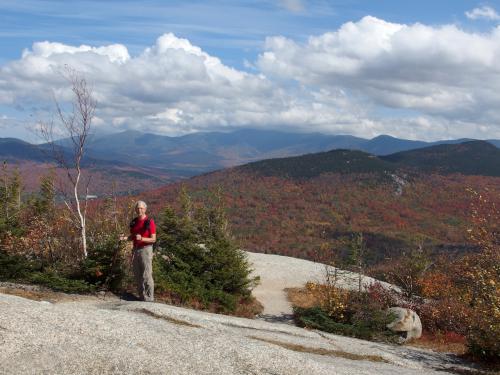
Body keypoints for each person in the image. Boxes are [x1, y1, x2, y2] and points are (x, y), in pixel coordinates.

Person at [120, 200, 156, 302]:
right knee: (137, 274)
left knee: (146, 274)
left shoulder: (149, 222)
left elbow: (153, 239)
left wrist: (142, 239)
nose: (139, 210)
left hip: (146, 249)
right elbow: (132, 236)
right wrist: (124, 238)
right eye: (138, 208)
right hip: (135, 249)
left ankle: (149, 298)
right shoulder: (135, 222)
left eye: (141, 208)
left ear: (145, 209)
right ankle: (142, 297)